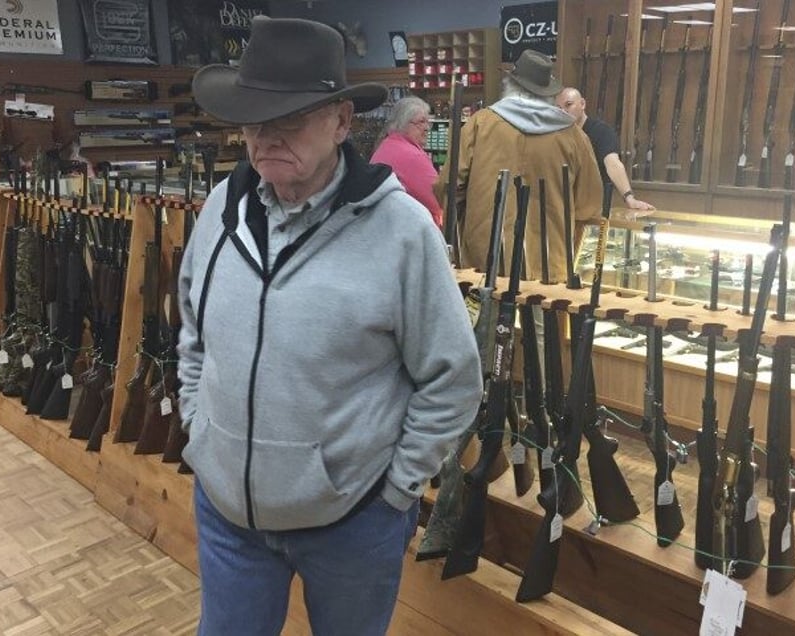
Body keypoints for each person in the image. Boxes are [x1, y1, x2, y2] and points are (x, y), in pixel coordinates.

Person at [181, 16, 482, 636]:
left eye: (290, 117)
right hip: (227, 518)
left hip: (352, 524)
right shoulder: (220, 208)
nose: (267, 136)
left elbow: (452, 380)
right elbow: (192, 328)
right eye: (254, 118)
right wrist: (200, 428)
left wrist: (395, 490)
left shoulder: (402, 232)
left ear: (343, 121)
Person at [436, 50, 602, 283]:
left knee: (484, 319)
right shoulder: (573, 136)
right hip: (548, 265)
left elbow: (449, 187)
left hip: (486, 261)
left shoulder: (480, 124)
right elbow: (589, 205)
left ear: (510, 84)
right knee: (544, 317)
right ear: (548, 92)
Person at [555, 87, 655, 213]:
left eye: (568, 105)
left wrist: (629, 198)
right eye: (559, 108)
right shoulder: (559, 134)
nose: (564, 111)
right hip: (564, 207)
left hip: (593, 208)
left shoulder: (602, 132)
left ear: (582, 104)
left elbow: (613, 164)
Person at [371, 96, 444, 227]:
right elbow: (440, 201)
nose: (427, 128)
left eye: (428, 122)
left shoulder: (386, 145)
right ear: (403, 124)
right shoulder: (411, 156)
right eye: (421, 122)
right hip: (410, 232)